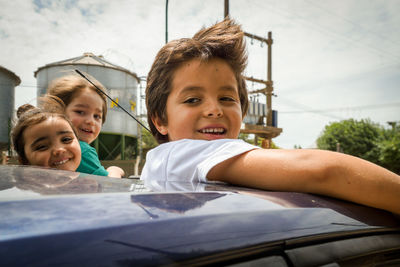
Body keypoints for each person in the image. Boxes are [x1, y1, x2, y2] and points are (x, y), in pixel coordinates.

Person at [141, 18, 400, 214]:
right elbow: (324, 172)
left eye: (227, 98)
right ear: (159, 120)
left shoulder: (161, 162)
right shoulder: (187, 153)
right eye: (193, 100)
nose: (214, 109)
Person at [47, 74, 125, 178]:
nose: (91, 121)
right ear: (57, 111)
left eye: (97, 116)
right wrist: (115, 170)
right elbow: (108, 185)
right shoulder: (81, 150)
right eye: (80, 112)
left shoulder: (43, 148)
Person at [11, 96, 81, 171]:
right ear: (25, 161)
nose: (59, 150)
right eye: (42, 147)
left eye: (66, 139)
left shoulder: (87, 181)